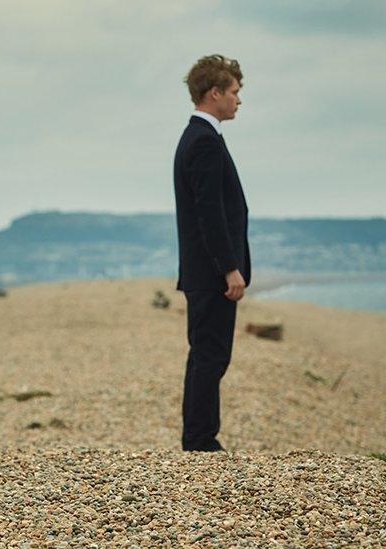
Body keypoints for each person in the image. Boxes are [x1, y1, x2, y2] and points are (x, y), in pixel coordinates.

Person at [172, 54, 251, 452]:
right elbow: (210, 213)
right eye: (235, 92)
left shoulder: (203, 137)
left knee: (208, 354)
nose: (239, 100)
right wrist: (229, 269)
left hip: (206, 272)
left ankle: (200, 436)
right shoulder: (202, 140)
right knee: (210, 355)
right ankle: (201, 440)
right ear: (214, 93)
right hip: (211, 274)